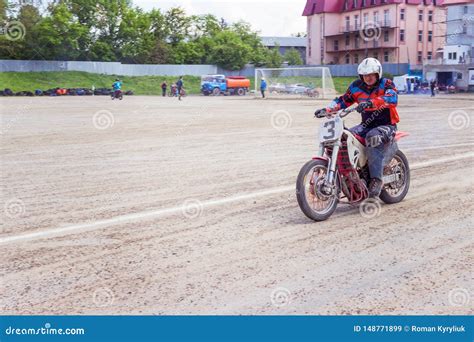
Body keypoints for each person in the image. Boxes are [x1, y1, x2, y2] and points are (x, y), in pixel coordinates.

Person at [314, 58, 400, 198]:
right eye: (365, 75)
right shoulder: (356, 86)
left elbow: (392, 98)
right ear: (361, 76)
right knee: (344, 137)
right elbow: (343, 100)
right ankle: (351, 175)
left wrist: (370, 103)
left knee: (373, 137)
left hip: (386, 125)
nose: (368, 78)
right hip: (366, 125)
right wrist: (327, 109)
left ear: (378, 74)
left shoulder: (386, 84)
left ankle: (376, 180)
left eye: (371, 74)